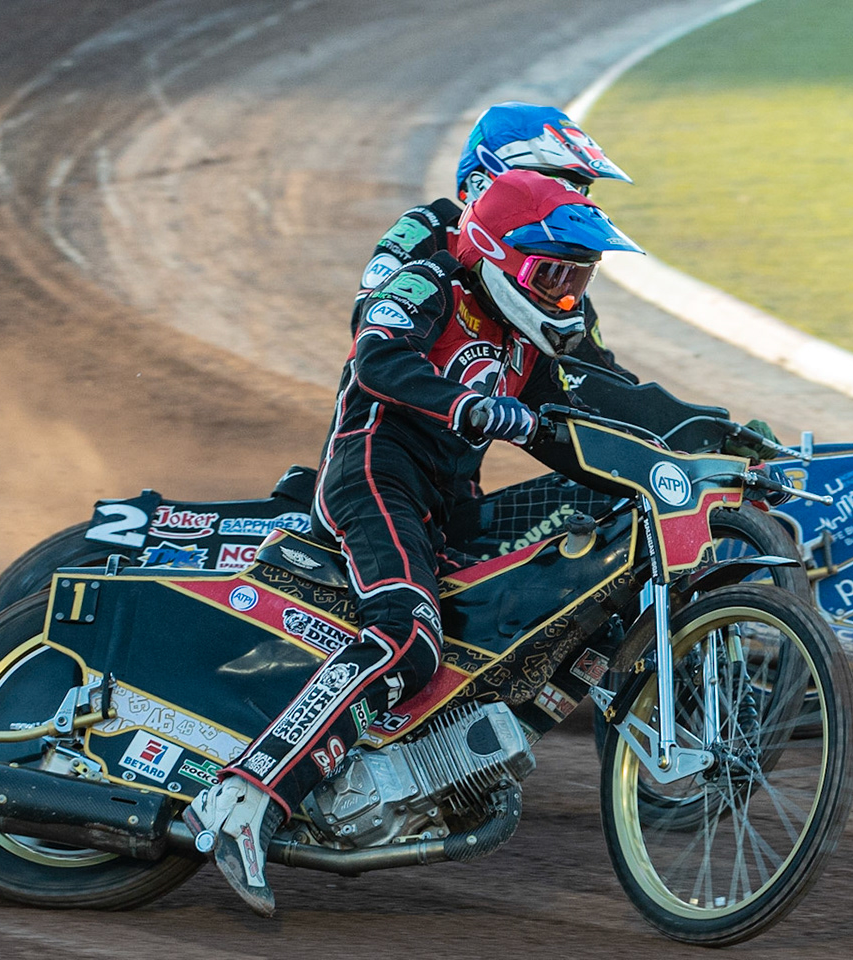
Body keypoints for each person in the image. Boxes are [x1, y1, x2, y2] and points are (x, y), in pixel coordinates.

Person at [183, 170, 643, 916]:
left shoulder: (523, 343)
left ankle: (405, 772)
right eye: (552, 277)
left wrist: (704, 441)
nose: (566, 297)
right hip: (373, 473)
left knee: (538, 623)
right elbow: (378, 359)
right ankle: (245, 797)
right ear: (498, 253)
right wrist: (468, 406)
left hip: (442, 510)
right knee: (408, 636)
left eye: (577, 280)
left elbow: (587, 423)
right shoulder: (432, 282)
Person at [353, 101, 638, 379]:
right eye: (551, 180)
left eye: (577, 189)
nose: (563, 196)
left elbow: (599, 371)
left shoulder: (555, 274)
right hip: (407, 397)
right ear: (482, 181)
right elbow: (370, 325)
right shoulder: (429, 228)